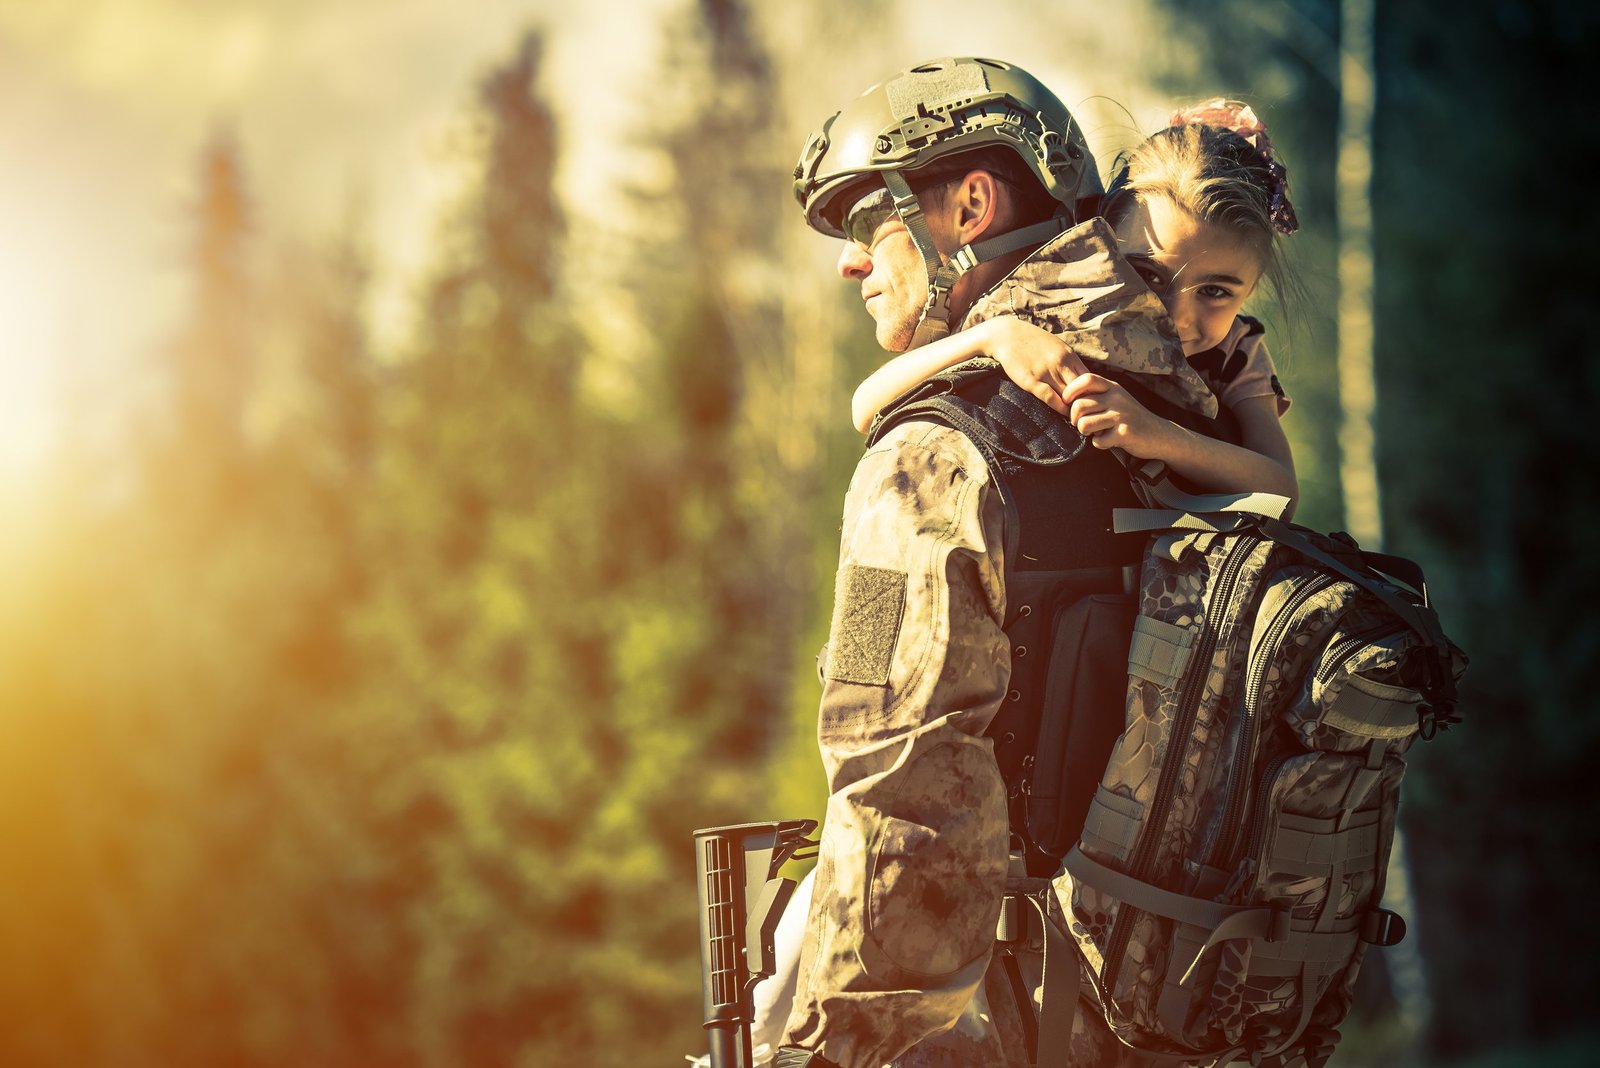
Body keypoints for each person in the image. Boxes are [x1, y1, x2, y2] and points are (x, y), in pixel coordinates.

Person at [777, 58, 1238, 1068]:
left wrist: (841, 1046)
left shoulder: (930, 458)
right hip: (1181, 1002)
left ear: (969, 206)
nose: (853, 265)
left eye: (870, 225)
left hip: (1015, 1014)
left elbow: (898, 780)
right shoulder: (1177, 403)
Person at [849, 98, 1301, 516]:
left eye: (1216, 292)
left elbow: (1281, 491)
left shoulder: (1237, 353)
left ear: (1251, 288)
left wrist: (1158, 435)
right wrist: (991, 336)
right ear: (1099, 242)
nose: (1179, 317)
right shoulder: (1064, 304)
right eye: (1150, 276)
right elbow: (865, 405)